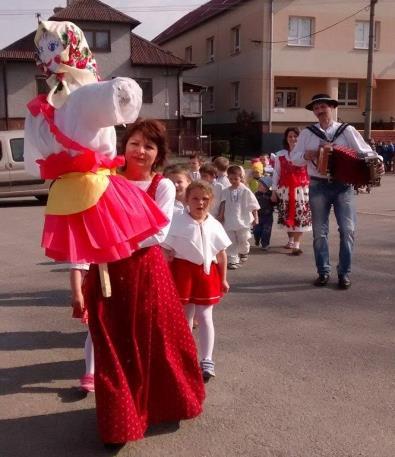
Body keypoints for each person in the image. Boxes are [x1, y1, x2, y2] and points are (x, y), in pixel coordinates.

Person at [83, 119, 205, 445]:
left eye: (149, 147)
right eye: (135, 143)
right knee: (114, 346)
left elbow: (158, 233)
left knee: (159, 342)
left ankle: (166, 404)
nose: (141, 151)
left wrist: (114, 241)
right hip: (107, 274)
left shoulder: (161, 186)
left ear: (158, 154)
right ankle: (119, 422)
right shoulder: (102, 180)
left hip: (147, 274)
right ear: (123, 146)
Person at [23, 20, 166, 264]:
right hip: (92, 188)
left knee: (95, 256)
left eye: (51, 47)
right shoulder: (76, 97)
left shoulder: (53, 104)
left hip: (70, 189)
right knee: (104, 254)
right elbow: (121, 96)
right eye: (45, 48)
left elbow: (36, 155)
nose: (47, 54)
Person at [291, 93, 383, 289]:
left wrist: (378, 161)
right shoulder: (308, 133)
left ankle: (344, 273)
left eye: (322, 106)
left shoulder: (346, 130)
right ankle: (323, 271)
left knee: (348, 230)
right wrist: (306, 155)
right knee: (319, 233)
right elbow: (294, 158)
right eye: (316, 108)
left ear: (331, 108)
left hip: (343, 186)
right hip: (317, 184)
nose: (319, 110)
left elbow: (365, 151)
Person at [162, 181, 231, 381]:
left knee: (205, 316)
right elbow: (164, 246)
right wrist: (167, 254)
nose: (200, 203)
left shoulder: (214, 224)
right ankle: (186, 355)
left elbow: (221, 254)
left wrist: (224, 278)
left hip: (206, 273)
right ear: (186, 200)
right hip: (182, 272)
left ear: (210, 201)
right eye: (195, 198)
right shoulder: (177, 221)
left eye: (205, 199)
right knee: (186, 317)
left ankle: (207, 359)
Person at [271, 127, 312, 255]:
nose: (293, 139)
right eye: (290, 136)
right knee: (286, 216)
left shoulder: (304, 153)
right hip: (285, 190)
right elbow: (276, 173)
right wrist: (273, 191)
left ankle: (297, 244)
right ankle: (290, 240)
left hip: (301, 189)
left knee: (300, 216)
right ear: (286, 139)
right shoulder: (280, 154)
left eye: (295, 136)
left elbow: (311, 171)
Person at [218, 165, 260, 269]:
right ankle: (233, 260)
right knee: (231, 240)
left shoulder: (245, 190)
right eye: (230, 179)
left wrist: (256, 217)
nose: (233, 181)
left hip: (243, 220)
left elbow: (253, 205)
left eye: (235, 179)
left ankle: (244, 251)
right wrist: (221, 215)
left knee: (243, 239)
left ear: (240, 177)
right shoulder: (225, 191)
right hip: (230, 220)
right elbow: (223, 203)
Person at [70, 263, 95, 392]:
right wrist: (77, 293)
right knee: (94, 333)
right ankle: (90, 373)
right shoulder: (87, 242)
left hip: (123, 286)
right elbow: (78, 264)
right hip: (95, 291)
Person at [253, 176, 275, 251]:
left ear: (266, 187)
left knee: (266, 231)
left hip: (268, 217)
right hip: (258, 216)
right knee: (256, 230)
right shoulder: (256, 194)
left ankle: (265, 244)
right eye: (259, 184)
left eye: (261, 184)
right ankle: (257, 239)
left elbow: (275, 202)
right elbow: (252, 204)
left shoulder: (271, 194)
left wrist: (274, 198)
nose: (258, 185)